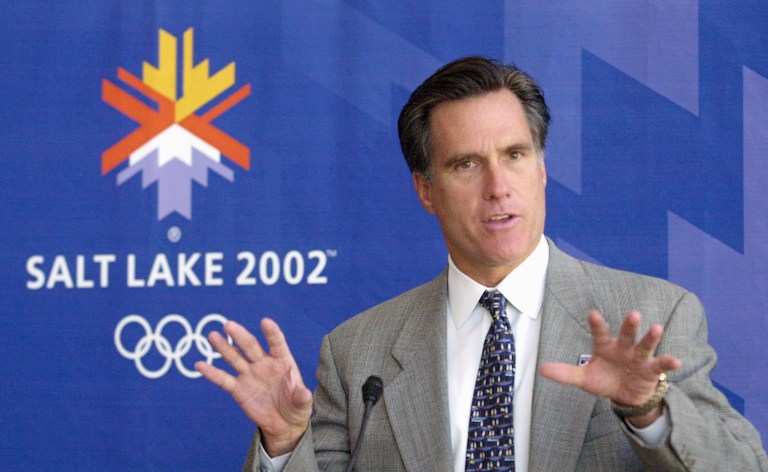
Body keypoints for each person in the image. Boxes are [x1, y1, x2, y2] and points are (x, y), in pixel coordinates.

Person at [196, 56, 768, 471]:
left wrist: (647, 409)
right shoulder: (357, 352)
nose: (498, 187)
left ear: (542, 169)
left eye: (515, 156)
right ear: (425, 189)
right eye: (467, 164)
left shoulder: (650, 315)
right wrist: (284, 444)